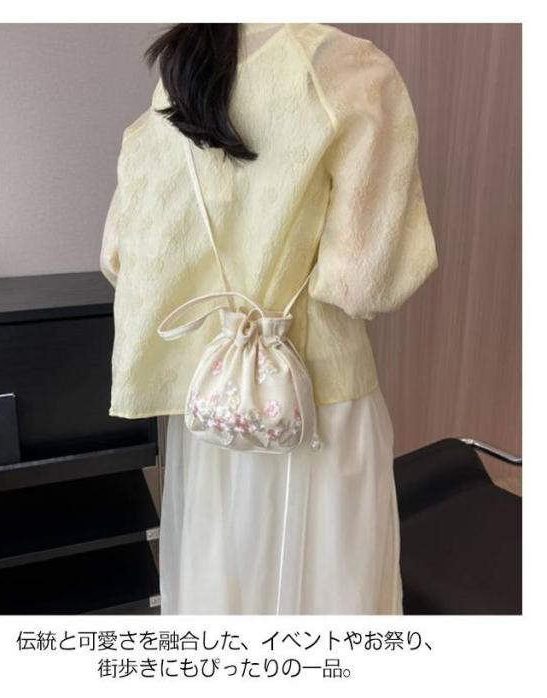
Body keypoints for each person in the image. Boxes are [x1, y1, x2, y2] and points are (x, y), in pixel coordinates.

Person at [99, 23, 439, 614]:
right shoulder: (345, 66)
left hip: (211, 408)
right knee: (330, 599)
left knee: (217, 596)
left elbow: (118, 260)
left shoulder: (179, 74)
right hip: (316, 404)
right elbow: (367, 282)